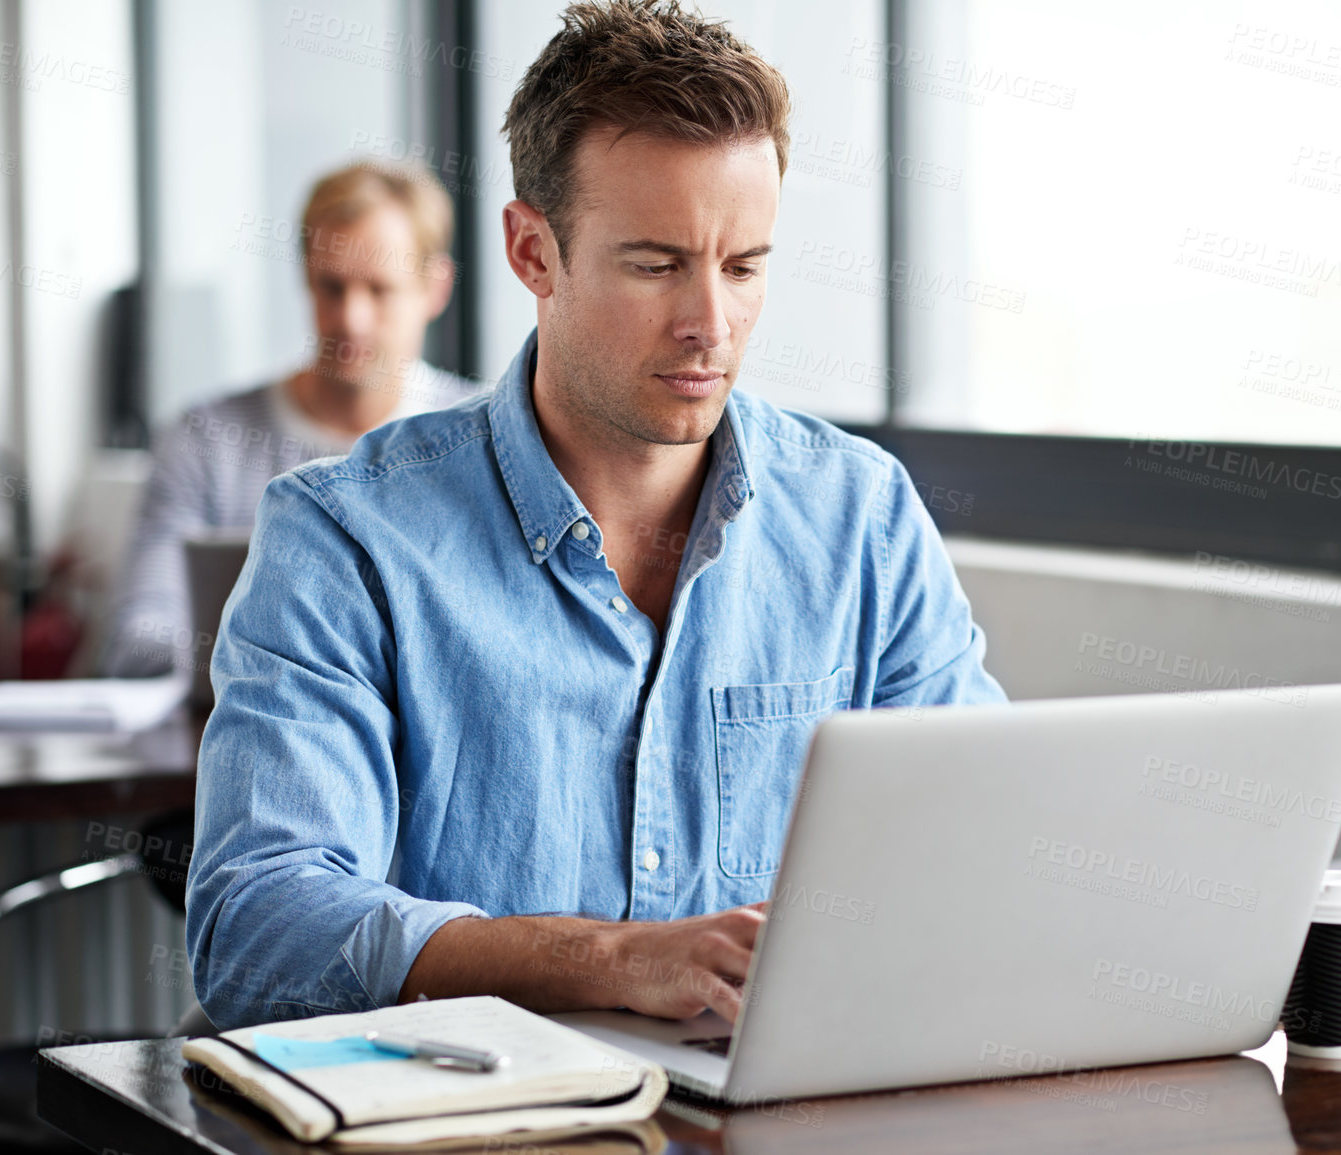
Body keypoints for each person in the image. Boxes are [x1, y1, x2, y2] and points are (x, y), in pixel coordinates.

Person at [187, 0, 1006, 1032]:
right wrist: (615, 960)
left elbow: (981, 846)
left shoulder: (862, 515)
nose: (711, 323)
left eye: (744, 266)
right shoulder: (342, 539)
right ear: (534, 253)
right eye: (656, 264)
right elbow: (257, 932)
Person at [101, 162, 476, 677]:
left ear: (435, 290)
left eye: (379, 290)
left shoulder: (486, 436)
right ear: (305, 278)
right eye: (332, 287)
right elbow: (139, 640)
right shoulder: (204, 441)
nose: (351, 319)